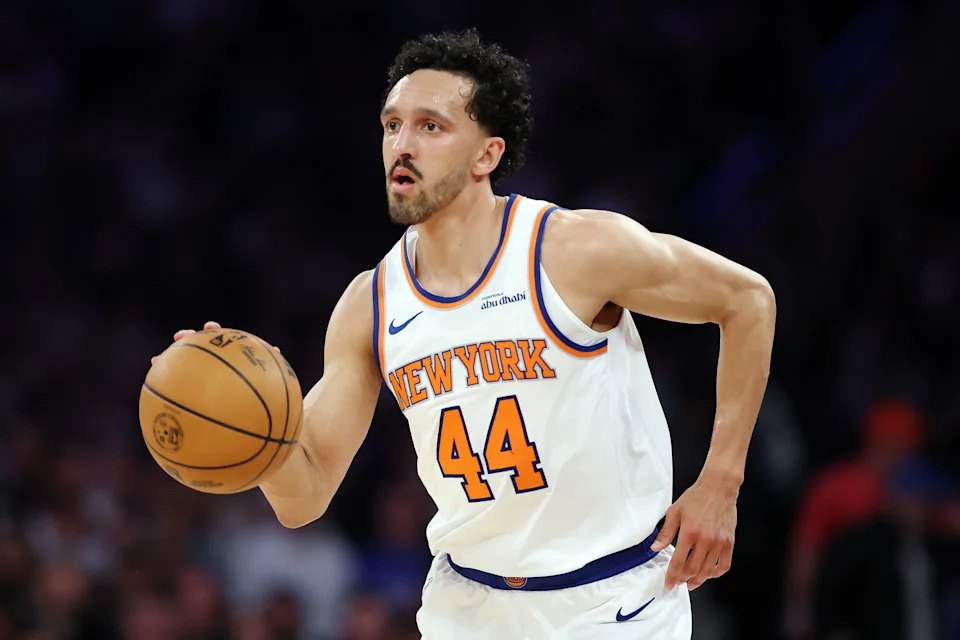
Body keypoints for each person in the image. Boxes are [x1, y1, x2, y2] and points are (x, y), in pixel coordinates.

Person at [154, 29, 776, 639]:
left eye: (431, 126)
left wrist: (721, 482)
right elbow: (304, 496)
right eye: (392, 125)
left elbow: (748, 300)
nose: (403, 145)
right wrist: (261, 415)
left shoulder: (574, 250)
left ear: (487, 155)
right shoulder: (370, 303)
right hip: (469, 608)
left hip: (612, 602)